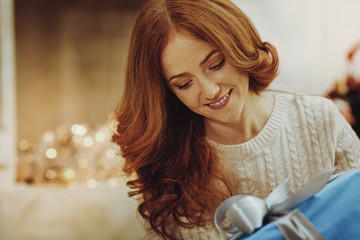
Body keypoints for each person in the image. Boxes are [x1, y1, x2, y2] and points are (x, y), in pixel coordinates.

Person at [112, 0, 360, 239]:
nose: (210, 91)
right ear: (167, 93)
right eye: (184, 84)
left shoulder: (319, 120)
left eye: (216, 64)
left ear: (238, 45)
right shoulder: (168, 165)